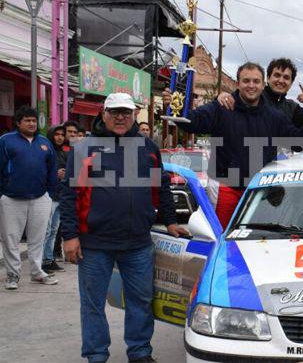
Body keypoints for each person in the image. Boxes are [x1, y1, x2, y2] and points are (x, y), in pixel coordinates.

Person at [60, 92, 187, 363]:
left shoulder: (148, 147)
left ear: (133, 115)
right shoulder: (85, 148)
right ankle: (96, 355)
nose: (120, 117)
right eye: (115, 112)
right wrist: (70, 236)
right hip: (95, 243)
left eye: (126, 112)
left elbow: (160, 185)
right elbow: (69, 194)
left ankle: (140, 352)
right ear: (103, 114)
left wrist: (171, 220)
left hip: (138, 243)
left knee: (141, 301)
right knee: (92, 304)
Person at [166, 62, 303, 228]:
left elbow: (297, 144)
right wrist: (176, 105)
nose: (251, 85)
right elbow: (192, 122)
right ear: (238, 83)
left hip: (259, 191)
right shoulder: (222, 107)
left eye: (256, 81)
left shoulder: (274, 116)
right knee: (222, 237)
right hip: (225, 188)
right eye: (246, 81)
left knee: (256, 239)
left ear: (263, 85)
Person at [0, 106, 58, 289]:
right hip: (11, 198)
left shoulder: (44, 143)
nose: (32, 123)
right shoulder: (5, 141)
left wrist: (50, 193)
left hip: (40, 198)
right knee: (11, 238)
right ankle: (12, 275)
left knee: (38, 238)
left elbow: (52, 169)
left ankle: (36, 272)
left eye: (34, 120)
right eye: (27, 120)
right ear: (18, 123)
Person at [216, 57, 303, 128]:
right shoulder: (253, 97)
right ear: (268, 78)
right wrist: (221, 97)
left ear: (291, 83)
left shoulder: (293, 108)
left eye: (286, 77)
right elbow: (229, 103)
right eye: (277, 75)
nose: (281, 80)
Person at [41, 125, 69, 273]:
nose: (59, 137)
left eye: (62, 135)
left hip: (61, 196)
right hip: (48, 196)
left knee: (53, 230)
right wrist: (55, 174)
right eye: (57, 134)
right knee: (45, 231)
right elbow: (39, 171)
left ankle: (48, 259)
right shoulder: (45, 151)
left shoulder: (63, 153)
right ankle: (41, 262)